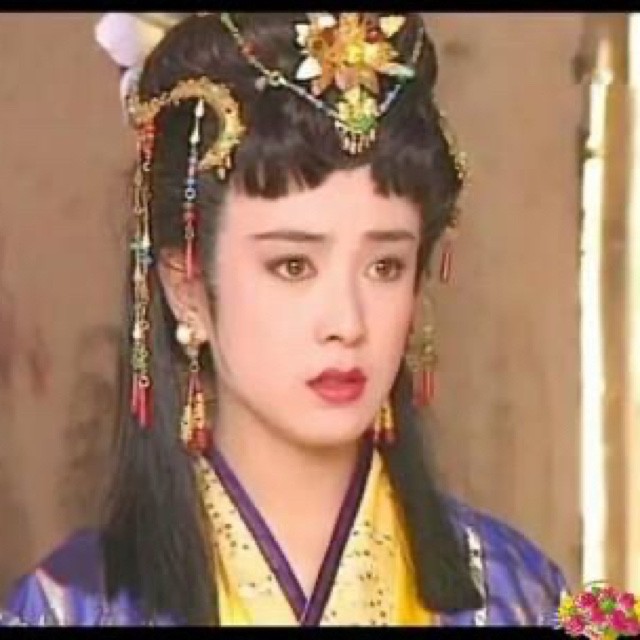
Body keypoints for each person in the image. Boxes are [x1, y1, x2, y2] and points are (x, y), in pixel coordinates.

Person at [0, 12, 568, 626]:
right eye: (294, 265)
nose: (347, 322)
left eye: (385, 266)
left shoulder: (522, 595)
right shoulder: (72, 609)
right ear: (187, 289)